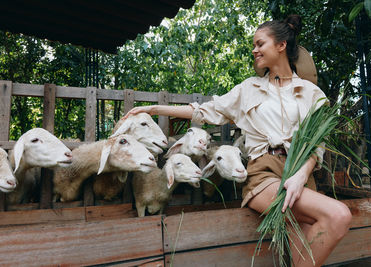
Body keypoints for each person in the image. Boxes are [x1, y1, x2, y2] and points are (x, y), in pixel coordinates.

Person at [123, 14, 352, 267]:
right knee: (339, 215)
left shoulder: (312, 94)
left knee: (302, 249)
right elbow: (206, 111)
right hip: (263, 173)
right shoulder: (248, 88)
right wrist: (155, 110)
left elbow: (316, 144)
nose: (254, 50)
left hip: (301, 175)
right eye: (253, 45)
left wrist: (300, 175)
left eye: (259, 44)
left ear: (281, 45)